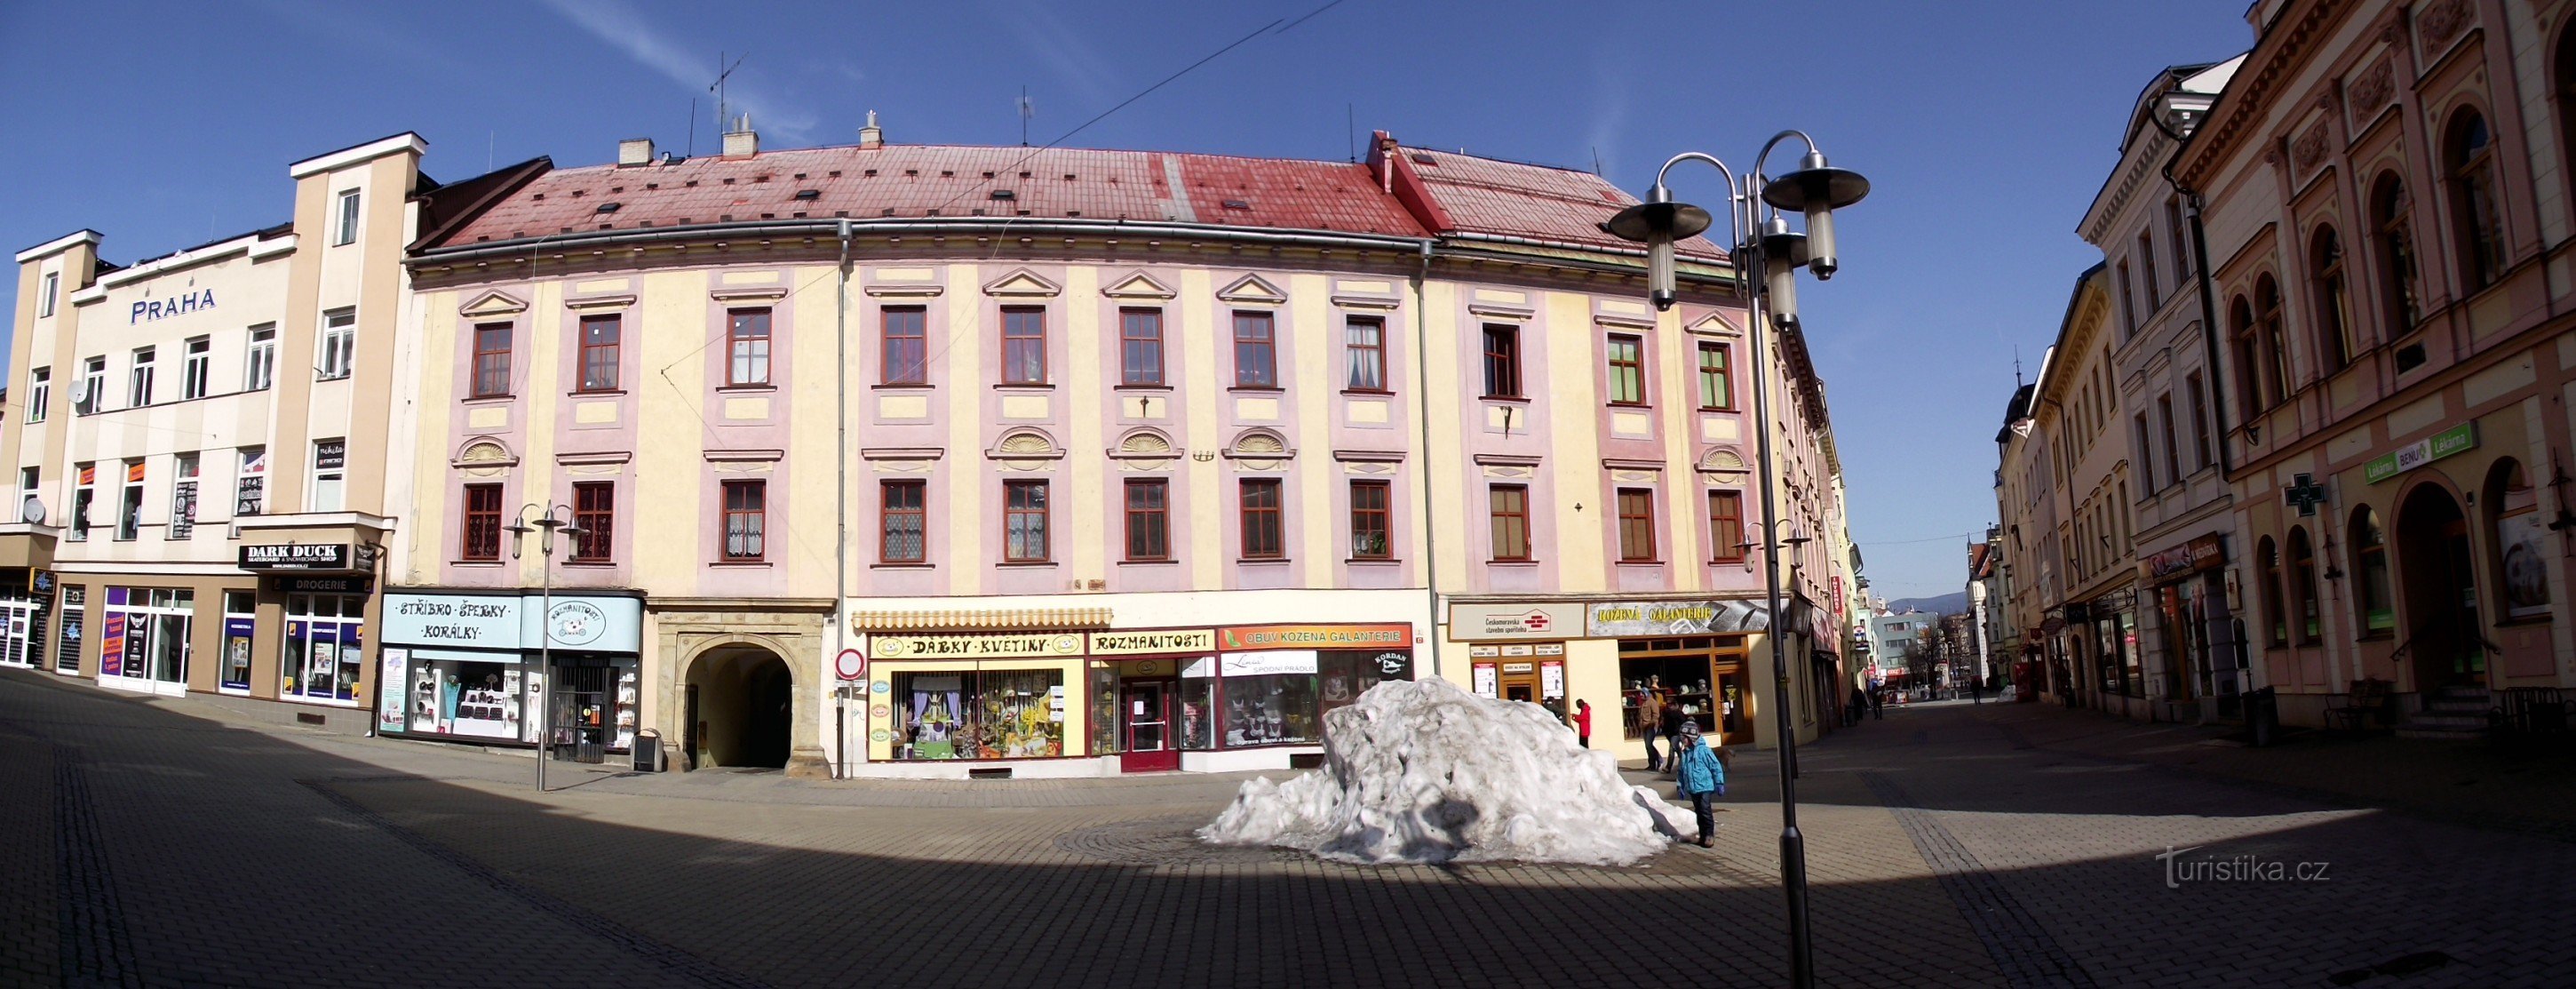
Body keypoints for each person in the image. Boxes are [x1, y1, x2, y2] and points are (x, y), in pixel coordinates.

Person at [1674, 722, 1725, 848]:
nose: (1682, 741)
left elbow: (1715, 766)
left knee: (1705, 810)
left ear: (1691, 738)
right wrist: (1680, 785)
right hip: (1693, 788)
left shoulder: (1704, 751)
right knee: (1699, 812)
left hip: (1705, 787)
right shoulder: (1684, 754)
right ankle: (1703, 836)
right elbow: (1681, 771)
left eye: (1684, 738)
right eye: (1681, 738)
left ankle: (1709, 835)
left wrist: (1719, 782)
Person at [1638, 690, 1666, 770]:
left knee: (1649, 745)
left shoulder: (1652, 702)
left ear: (1646, 693)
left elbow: (1656, 715)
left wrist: (1651, 725)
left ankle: (1660, 760)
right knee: (1647, 747)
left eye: (1642, 693)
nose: (1641, 695)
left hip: (1650, 728)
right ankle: (1652, 765)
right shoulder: (1643, 703)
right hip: (1644, 728)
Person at [1658, 701, 1686, 775]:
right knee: (1676, 749)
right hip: (1672, 734)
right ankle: (1683, 762)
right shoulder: (1668, 713)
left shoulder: (1678, 713)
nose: (1669, 707)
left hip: (1677, 734)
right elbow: (1666, 725)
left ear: (1675, 705)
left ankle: (1669, 767)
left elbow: (1683, 723)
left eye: (1671, 705)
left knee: (1672, 749)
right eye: (1669, 705)